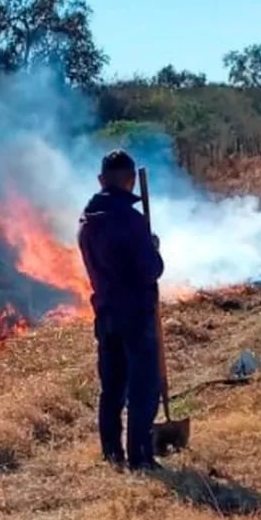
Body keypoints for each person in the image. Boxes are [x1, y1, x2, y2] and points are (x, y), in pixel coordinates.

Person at [78, 149, 165, 472]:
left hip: (105, 312)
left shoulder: (86, 222)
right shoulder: (131, 221)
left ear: (102, 181)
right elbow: (149, 270)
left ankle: (112, 453)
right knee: (143, 385)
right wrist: (154, 249)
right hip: (135, 313)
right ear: (130, 182)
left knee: (112, 386)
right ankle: (140, 456)